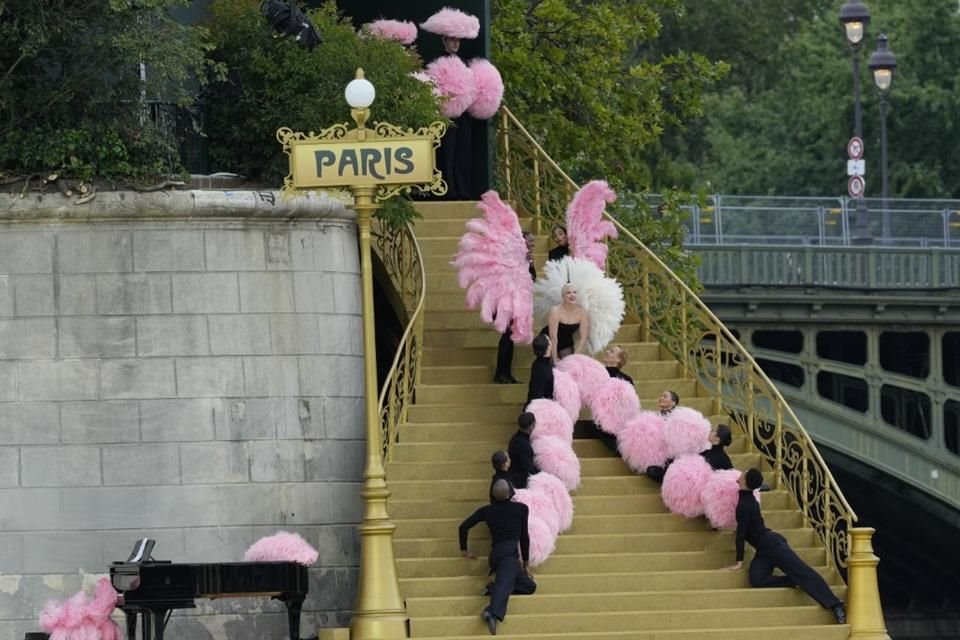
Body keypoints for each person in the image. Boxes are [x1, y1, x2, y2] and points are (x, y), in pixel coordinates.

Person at [724, 468, 847, 624]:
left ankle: (835, 604)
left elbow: (741, 534)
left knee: (802, 571)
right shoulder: (747, 499)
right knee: (757, 579)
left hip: (773, 545)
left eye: (743, 474)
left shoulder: (745, 504)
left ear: (745, 481)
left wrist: (739, 562)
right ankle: (793, 581)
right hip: (763, 550)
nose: (740, 474)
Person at [460, 479, 537, 635]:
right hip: (508, 555)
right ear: (510, 492)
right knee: (507, 579)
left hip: (498, 555)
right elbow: (524, 538)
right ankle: (492, 612)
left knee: (529, 586)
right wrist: (526, 564)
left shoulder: (487, 510)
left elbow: (463, 527)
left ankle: (493, 588)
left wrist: (464, 550)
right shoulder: (521, 509)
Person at [494, 232, 537, 384]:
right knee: (507, 336)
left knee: (509, 337)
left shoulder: (526, 259)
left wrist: (531, 264)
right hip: (504, 302)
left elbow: (533, 279)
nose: (533, 244)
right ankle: (501, 374)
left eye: (533, 241)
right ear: (522, 241)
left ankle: (506, 373)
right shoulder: (510, 257)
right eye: (530, 240)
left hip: (517, 303)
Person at [540, 283, 589, 362]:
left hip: (566, 341)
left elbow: (584, 337)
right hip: (549, 340)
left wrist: (575, 356)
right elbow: (553, 336)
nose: (572, 295)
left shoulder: (582, 312)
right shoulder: (555, 310)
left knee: (568, 363)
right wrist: (555, 358)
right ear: (563, 296)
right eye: (568, 293)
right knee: (551, 364)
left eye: (574, 292)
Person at [508, 412, 539, 489]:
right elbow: (528, 469)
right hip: (520, 484)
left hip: (512, 479)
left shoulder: (514, 439)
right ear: (531, 427)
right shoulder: (524, 445)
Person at [525, 334, 554, 406]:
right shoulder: (541, 368)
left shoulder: (541, 363)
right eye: (549, 340)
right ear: (548, 347)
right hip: (540, 406)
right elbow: (537, 393)